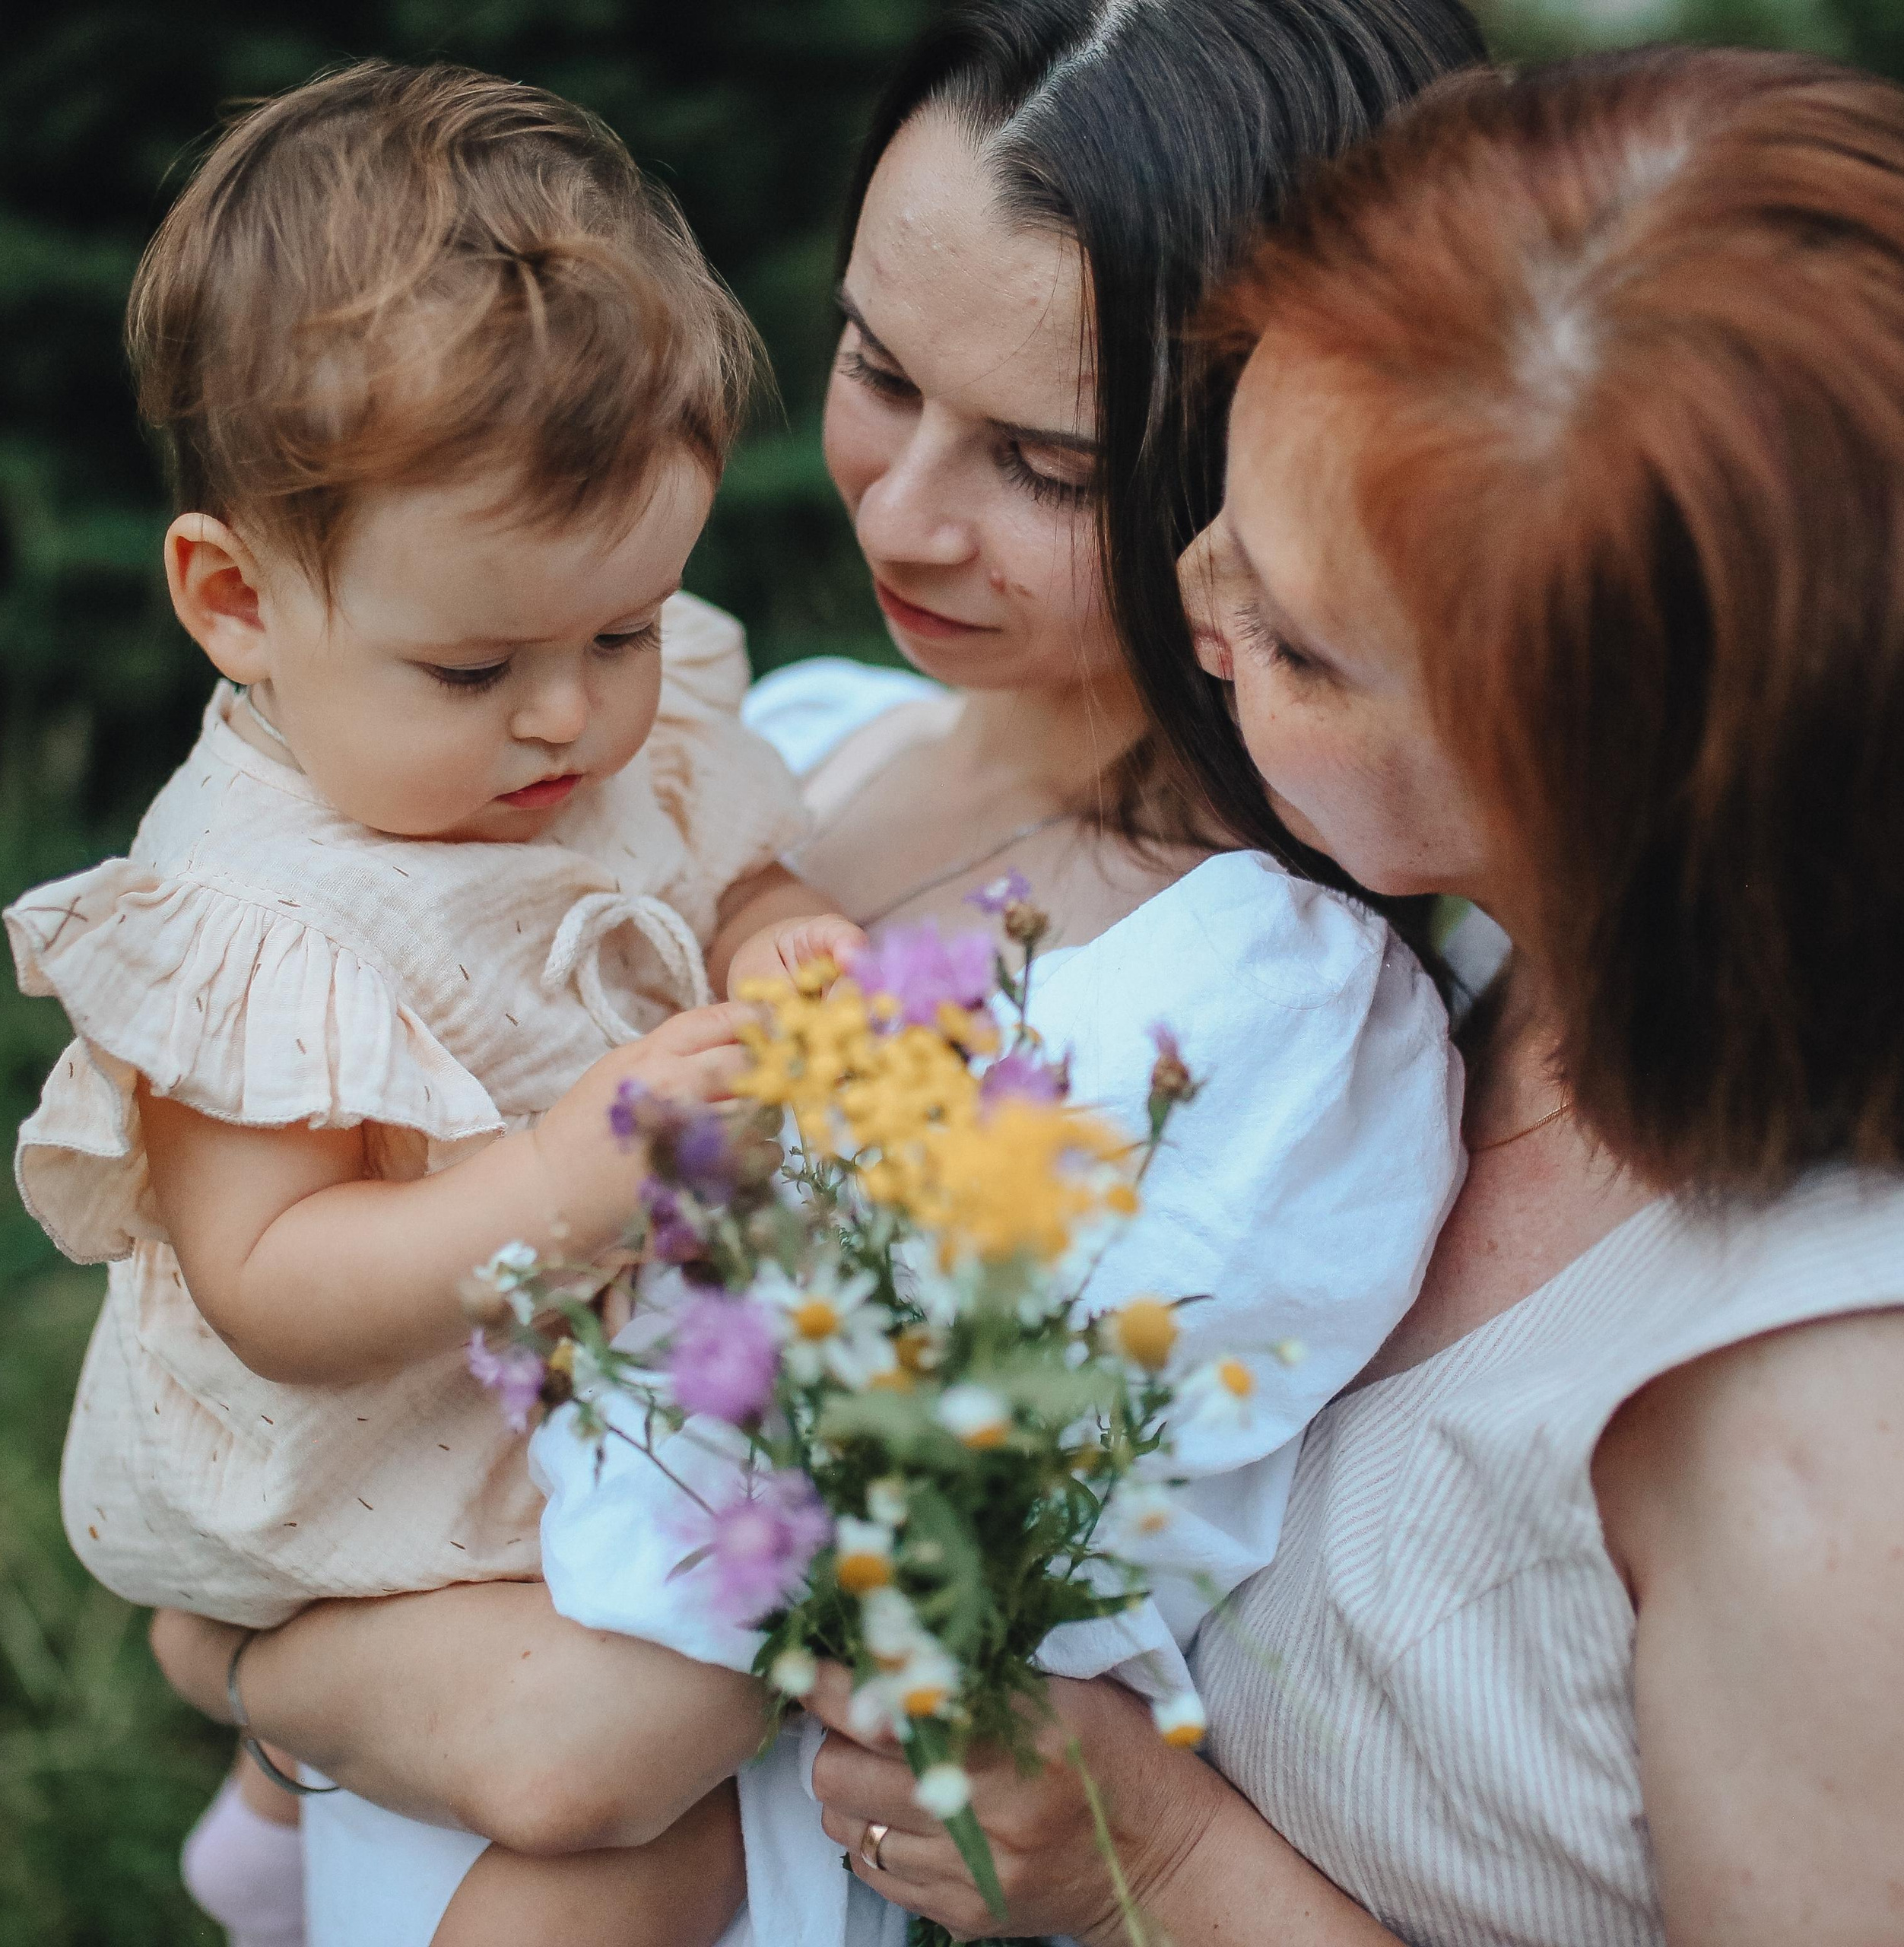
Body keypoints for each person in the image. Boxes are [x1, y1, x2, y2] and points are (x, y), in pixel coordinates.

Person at [142, 2, 1490, 1942]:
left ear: (1269, 454)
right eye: (875, 367)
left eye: (1042, 460)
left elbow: (586, 1737)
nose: (900, 510)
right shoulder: (796, 734)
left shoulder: (1248, 1016)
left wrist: (234, 1658)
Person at [791, 46, 1904, 1947]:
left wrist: (1172, 1862)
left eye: (1296, 641)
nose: (1192, 594)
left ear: (1600, 776)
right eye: (1213, 494)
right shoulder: (1455, 961)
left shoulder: (1820, 1454)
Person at [5, 61, 863, 1947]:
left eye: (625, 630)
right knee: (637, 1795)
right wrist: (561, 1182)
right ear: (236, 601)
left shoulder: (605, 734)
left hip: (591, 1410)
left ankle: (264, 1809)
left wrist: (780, 937)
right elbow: (278, 1281)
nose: (569, 715)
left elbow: (729, 862)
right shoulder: (253, 913)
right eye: (476, 663)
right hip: (382, 1467)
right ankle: (264, 1735)